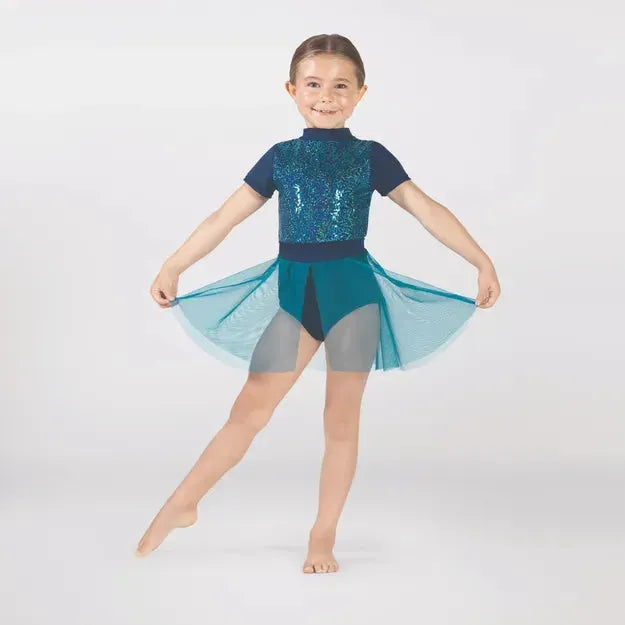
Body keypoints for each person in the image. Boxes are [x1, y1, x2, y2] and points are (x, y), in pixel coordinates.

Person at [136, 34, 501, 573]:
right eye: (313, 84)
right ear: (292, 90)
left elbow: (426, 209)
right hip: (296, 301)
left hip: (353, 301)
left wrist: (480, 260)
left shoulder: (370, 157)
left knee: (340, 423)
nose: (326, 96)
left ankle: (323, 535)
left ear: (360, 94)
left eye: (340, 86)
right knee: (249, 410)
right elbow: (223, 218)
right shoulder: (281, 158)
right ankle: (183, 503)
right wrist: (173, 264)